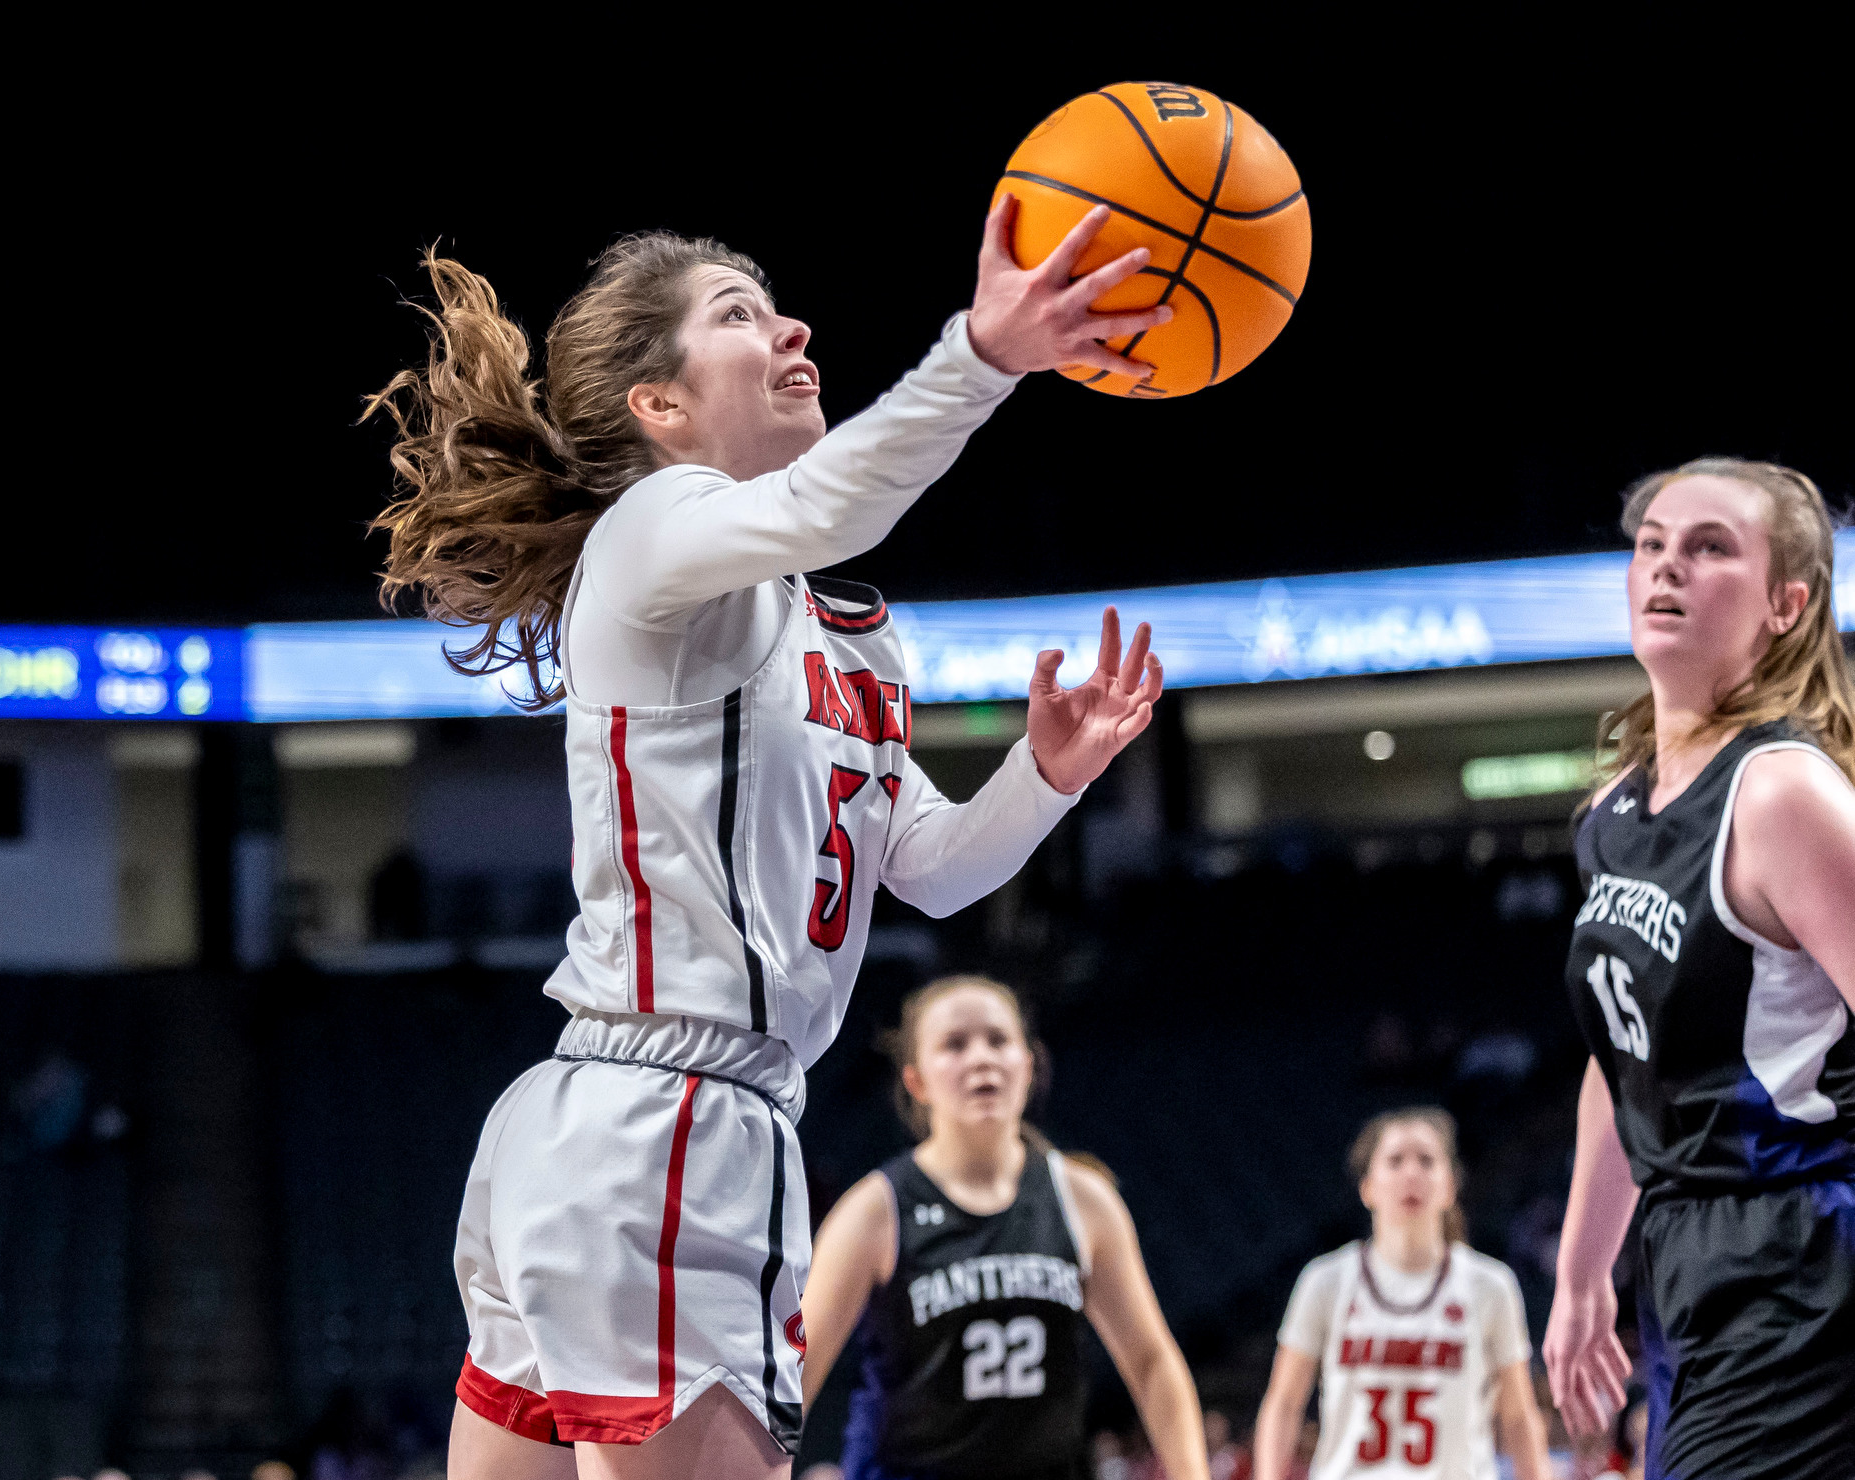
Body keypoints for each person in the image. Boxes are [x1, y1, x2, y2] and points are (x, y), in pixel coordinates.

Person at [370, 197, 1170, 1480]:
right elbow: (829, 503)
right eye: (737, 315)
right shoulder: (647, 537)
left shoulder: (833, 627)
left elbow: (933, 865)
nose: (793, 325)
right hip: (671, 1128)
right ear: (659, 407)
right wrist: (982, 352)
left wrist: (1046, 774)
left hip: (611, 1126)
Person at [1541, 459, 1855, 1480]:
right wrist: (1583, 1271)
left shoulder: (1780, 793)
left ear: (1783, 604)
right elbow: (1620, 1054)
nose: (1667, 564)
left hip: (1803, 1249)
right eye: (1651, 544)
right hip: (1683, 1261)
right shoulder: (1611, 816)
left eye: (1709, 545)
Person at [800, 975, 1208, 1480]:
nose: (981, 1058)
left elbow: (1151, 1362)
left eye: (998, 1040)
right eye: (955, 1045)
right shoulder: (874, 1210)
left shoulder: (1082, 1198)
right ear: (916, 1081)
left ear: (1029, 1065)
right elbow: (796, 1373)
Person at [1253, 1108, 1549, 1480]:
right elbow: (1283, 1403)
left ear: (1450, 1186)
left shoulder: (1490, 1285)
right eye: (1395, 1161)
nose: (1411, 1174)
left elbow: (1519, 1417)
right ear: (1367, 1187)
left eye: (1426, 1161)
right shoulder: (1325, 1281)